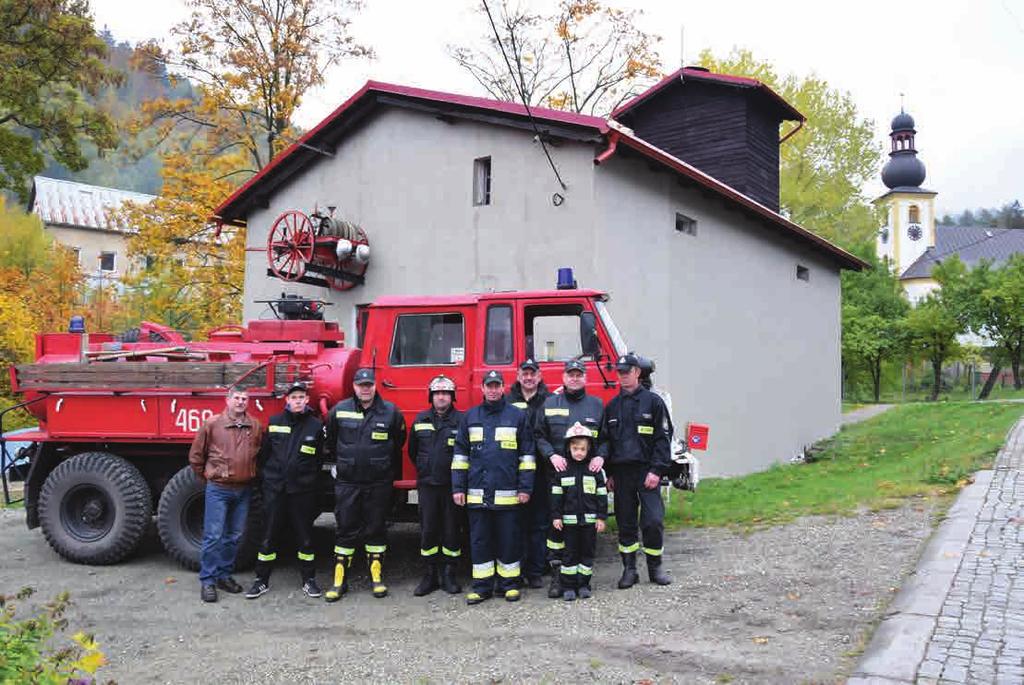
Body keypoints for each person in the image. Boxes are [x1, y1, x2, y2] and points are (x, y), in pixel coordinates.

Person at [452, 370, 535, 605]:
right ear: (482, 388)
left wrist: (525, 488)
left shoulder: (517, 416)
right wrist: (458, 488)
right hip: (477, 496)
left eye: (497, 385)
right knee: (480, 541)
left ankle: (510, 585)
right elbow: (460, 456)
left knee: (509, 540)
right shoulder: (469, 417)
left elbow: (527, 456)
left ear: (503, 388)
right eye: (489, 385)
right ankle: (482, 586)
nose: (493, 389)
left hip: (508, 496)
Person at [323, 368, 406, 601]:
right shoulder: (339, 410)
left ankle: (376, 577)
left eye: (369, 384)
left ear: (375, 385)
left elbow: (398, 441)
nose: (365, 388)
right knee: (345, 530)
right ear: (354, 387)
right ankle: (340, 580)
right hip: (348, 482)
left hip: (378, 483)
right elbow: (330, 440)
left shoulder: (390, 412)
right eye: (361, 385)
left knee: (376, 529)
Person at [245, 382, 323, 600]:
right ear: (287, 400)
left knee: (305, 537)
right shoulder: (275, 422)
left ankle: (309, 581)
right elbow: (264, 455)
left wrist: (307, 480)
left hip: (301, 491)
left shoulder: (316, 426)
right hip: (276, 490)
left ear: (307, 400)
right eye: (293, 397)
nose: (297, 400)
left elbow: (318, 461)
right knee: (268, 536)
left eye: (301, 397)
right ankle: (261, 581)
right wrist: (269, 481)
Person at [600, 353, 673, 588]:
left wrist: (656, 470)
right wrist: (609, 473)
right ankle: (629, 570)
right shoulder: (612, 407)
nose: (622, 376)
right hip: (621, 474)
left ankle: (655, 567)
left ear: (637, 373)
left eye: (627, 372)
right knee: (626, 523)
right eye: (619, 372)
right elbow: (606, 442)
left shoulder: (654, 403)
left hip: (647, 472)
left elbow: (663, 439)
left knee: (652, 521)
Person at [533, 359, 605, 598]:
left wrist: (601, 457)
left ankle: (581, 581)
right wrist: (551, 454)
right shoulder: (549, 403)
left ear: (585, 378)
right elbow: (538, 435)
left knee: (582, 536)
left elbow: (605, 439)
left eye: (579, 374)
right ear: (563, 377)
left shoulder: (596, 406)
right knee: (555, 531)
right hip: (555, 478)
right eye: (570, 374)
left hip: (586, 481)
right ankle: (557, 579)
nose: (575, 378)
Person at [188, 386, 264, 603]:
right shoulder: (212, 424)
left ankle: (224, 575)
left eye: (244, 398)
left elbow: (258, 453)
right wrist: (210, 478)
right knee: (213, 536)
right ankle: (208, 581)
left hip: (243, 489)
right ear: (227, 400)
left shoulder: (255, 425)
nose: (241, 402)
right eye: (237, 398)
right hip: (219, 489)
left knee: (234, 537)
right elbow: (196, 456)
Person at [408, 375, 465, 596]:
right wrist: (425, 468)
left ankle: (449, 574)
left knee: (452, 531)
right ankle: (430, 575)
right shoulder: (421, 419)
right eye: (437, 393)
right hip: (428, 486)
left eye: (446, 393)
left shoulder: (461, 421)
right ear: (431, 396)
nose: (441, 397)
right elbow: (413, 451)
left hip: (452, 487)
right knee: (428, 531)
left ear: (452, 397)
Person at [550, 422, 607, 601]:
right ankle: (568, 586)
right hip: (569, 524)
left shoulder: (595, 470)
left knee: (587, 554)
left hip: (589, 523)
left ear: (589, 449)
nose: (579, 452)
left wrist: (601, 518)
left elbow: (602, 496)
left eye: (583, 449)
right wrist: (556, 516)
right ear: (569, 448)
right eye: (575, 449)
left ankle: (584, 585)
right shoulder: (562, 470)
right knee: (569, 554)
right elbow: (556, 497)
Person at [507, 358, 549, 588]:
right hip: (514, 472)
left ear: (539, 376)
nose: (529, 377)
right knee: (516, 524)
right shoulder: (507, 401)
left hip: (541, 471)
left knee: (539, 523)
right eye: (525, 373)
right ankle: (518, 570)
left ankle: (535, 571)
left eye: (533, 373)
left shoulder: (550, 401)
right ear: (518, 375)